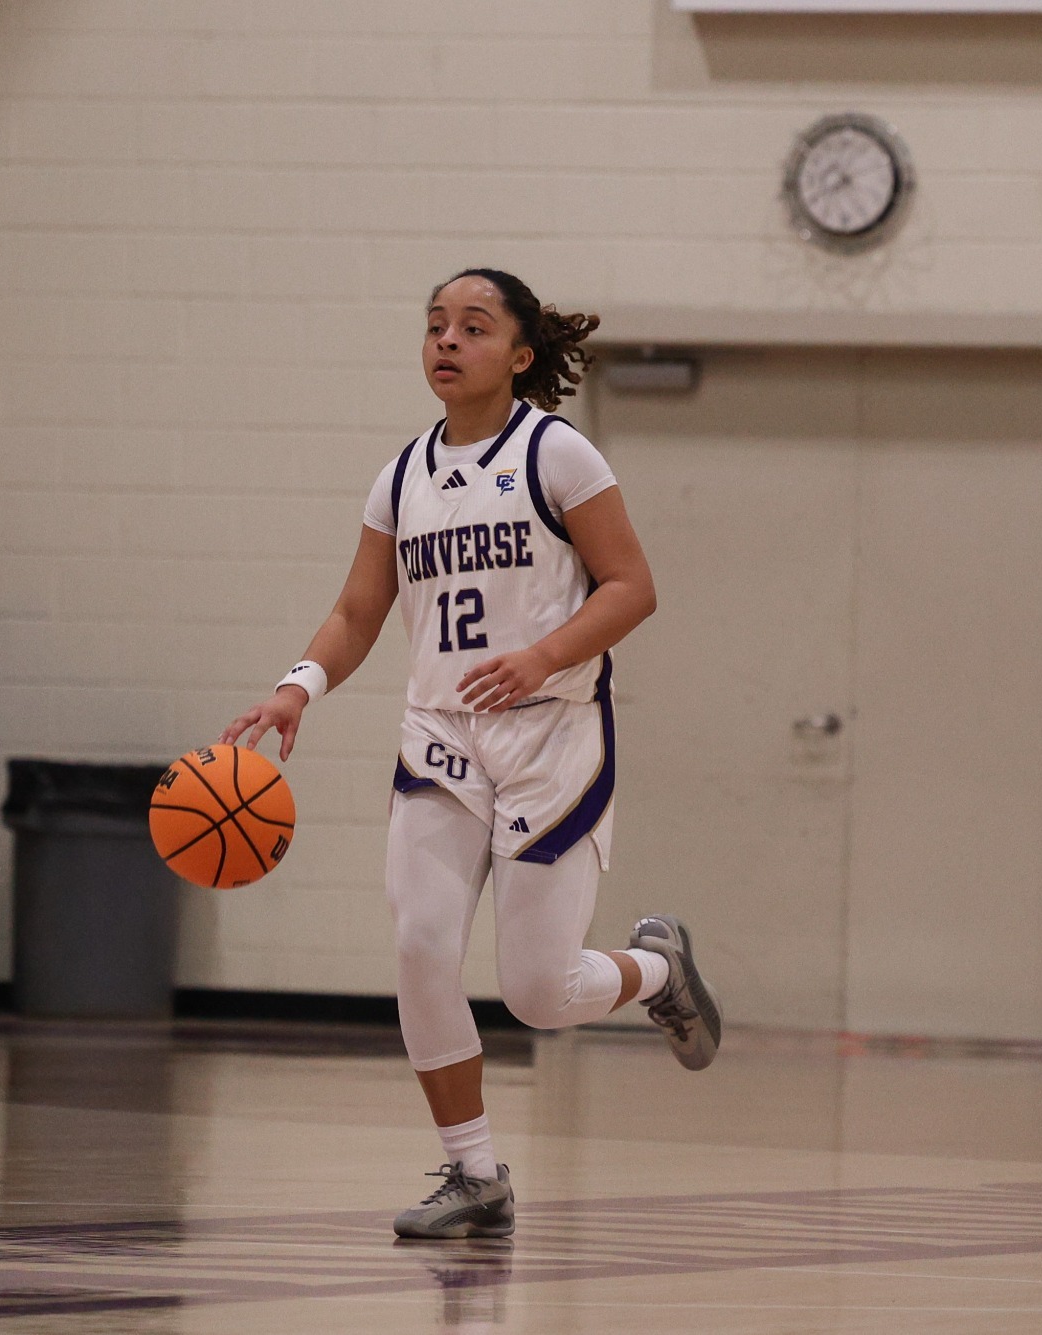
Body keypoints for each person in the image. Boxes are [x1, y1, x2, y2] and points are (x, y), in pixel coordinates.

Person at [223, 268, 722, 1239]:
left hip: (550, 735)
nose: (446, 342)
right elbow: (359, 610)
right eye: (434, 327)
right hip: (442, 736)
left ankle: (657, 970)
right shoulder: (400, 475)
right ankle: (473, 1173)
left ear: (520, 354)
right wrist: (297, 687)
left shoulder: (558, 456)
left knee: (539, 994)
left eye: (473, 327)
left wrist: (540, 657)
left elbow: (630, 587)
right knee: (419, 945)